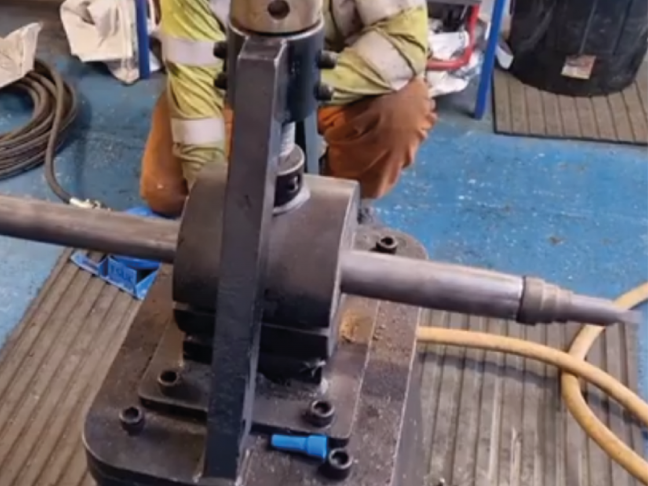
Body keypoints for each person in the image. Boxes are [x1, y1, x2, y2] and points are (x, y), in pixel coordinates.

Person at [140, 0, 437, 221]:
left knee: (401, 114)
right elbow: (197, 88)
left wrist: (299, 89)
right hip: (238, 84)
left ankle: (342, 199)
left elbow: (403, 42)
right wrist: (211, 208)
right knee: (165, 191)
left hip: (341, 76)